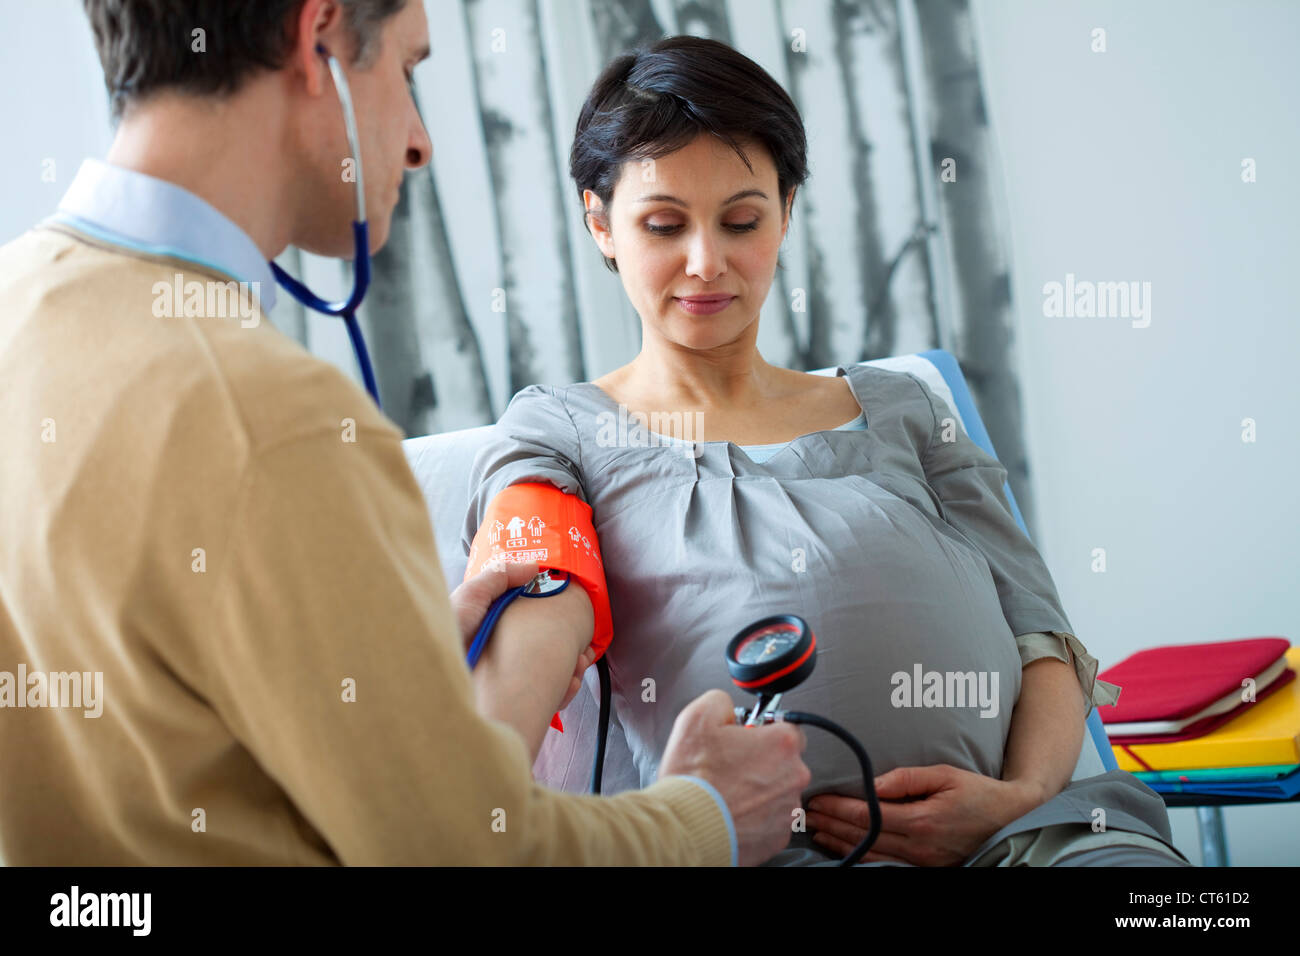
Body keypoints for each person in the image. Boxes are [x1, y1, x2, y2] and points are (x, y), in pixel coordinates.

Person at [0, 1, 813, 866]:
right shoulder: (276, 420)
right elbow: (467, 852)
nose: (420, 141)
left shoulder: (19, 309)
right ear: (319, 39)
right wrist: (706, 818)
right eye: (408, 69)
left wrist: (388, 656)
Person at [464, 35, 1191, 866]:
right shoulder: (558, 431)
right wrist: (471, 796)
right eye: (663, 224)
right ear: (599, 222)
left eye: (743, 220)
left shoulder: (906, 407)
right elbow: (537, 613)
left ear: (787, 208)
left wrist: (1015, 800)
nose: (707, 263)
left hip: (1025, 841)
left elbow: (1043, 635)